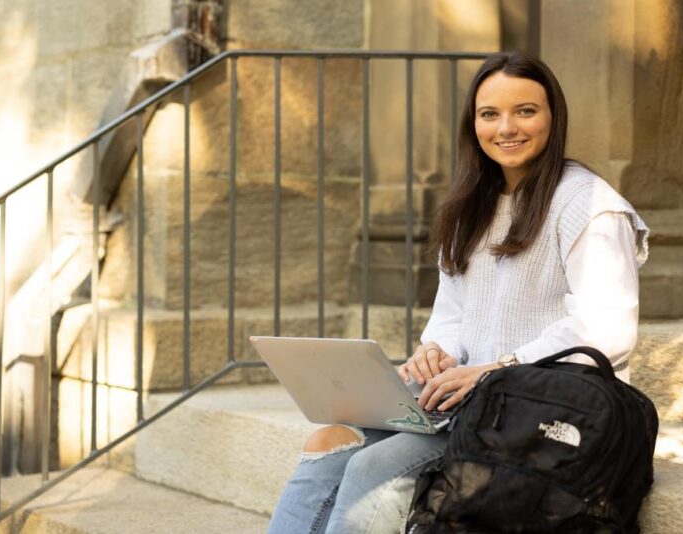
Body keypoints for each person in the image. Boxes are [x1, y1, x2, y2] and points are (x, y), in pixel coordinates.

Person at [267, 51, 648, 534]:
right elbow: (453, 314)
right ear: (474, 124)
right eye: (490, 114)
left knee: (371, 467)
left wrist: (493, 370)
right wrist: (435, 352)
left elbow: (606, 329)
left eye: (526, 111)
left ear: (554, 117)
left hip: (540, 413)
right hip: (463, 400)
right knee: (329, 440)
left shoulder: (588, 204)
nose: (506, 127)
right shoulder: (471, 206)